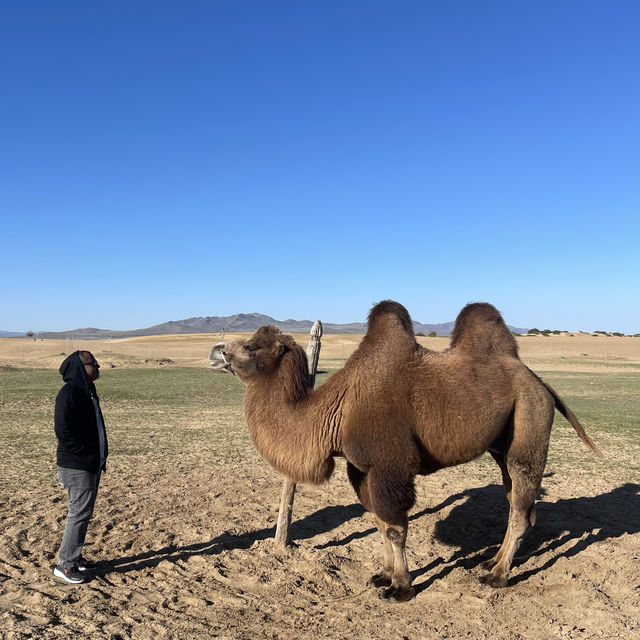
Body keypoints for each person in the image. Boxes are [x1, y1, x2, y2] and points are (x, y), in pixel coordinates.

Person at [53, 350, 108, 584]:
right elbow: (63, 430)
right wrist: (83, 455)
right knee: (78, 513)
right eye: (93, 363)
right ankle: (65, 566)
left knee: (83, 513)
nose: (97, 366)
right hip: (78, 466)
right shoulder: (70, 393)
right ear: (80, 367)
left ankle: (75, 558)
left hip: (90, 463)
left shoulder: (88, 391)